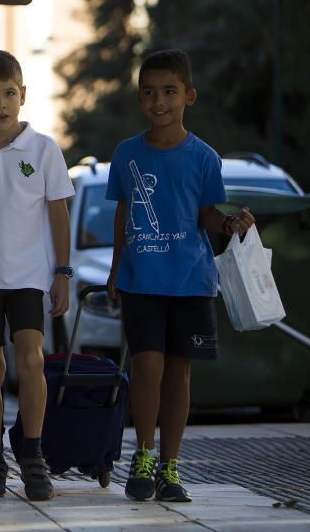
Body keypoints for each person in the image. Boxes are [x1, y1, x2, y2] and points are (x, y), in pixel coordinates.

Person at [106, 49, 254, 503]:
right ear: (139, 98)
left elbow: (206, 213)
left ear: (189, 95)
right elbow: (124, 214)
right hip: (141, 280)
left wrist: (228, 225)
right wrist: (116, 268)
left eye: (169, 92)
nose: (159, 101)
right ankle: (143, 457)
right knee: (146, 367)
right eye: (149, 92)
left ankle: (171, 465)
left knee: (178, 374)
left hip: (190, 280)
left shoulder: (204, 157)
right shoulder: (126, 153)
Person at [0, 49, 74, 501]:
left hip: (28, 274)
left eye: (8, 93)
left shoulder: (43, 150)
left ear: (22, 95)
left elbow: (58, 214)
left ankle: (34, 454)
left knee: (32, 360)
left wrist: (61, 272)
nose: (1, 103)